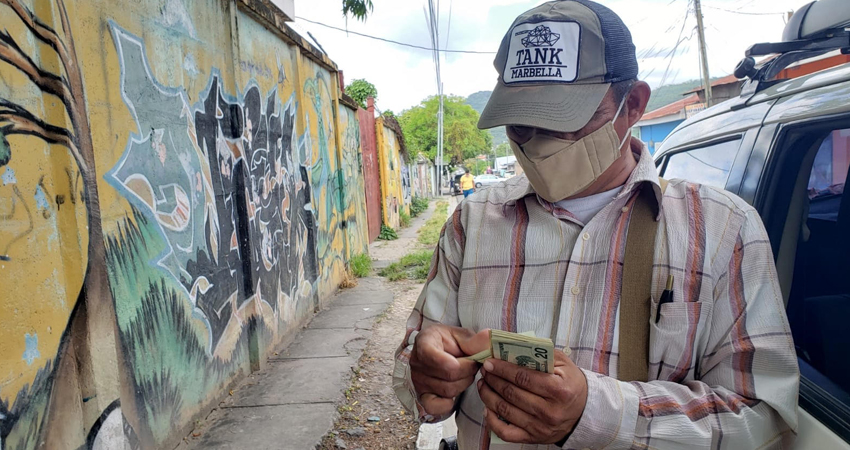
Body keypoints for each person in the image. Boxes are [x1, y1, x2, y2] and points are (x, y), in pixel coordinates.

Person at [393, 1, 799, 449]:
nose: (537, 142)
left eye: (562, 120)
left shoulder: (724, 231)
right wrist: (425, 376)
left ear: (634, 105)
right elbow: (416, 366)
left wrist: (601, 414)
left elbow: (763, 416)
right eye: (520, 124)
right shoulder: (471, 224)